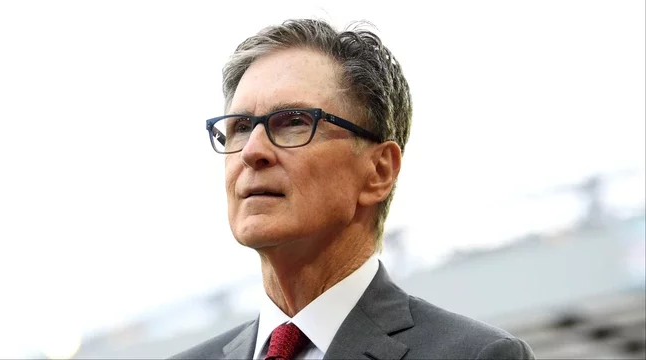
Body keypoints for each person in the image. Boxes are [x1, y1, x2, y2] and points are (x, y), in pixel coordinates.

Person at [172, 19, 535, 360]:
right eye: (239, 127)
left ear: (378, 171)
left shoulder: (476, 355)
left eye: (294, 122)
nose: (252, 151)